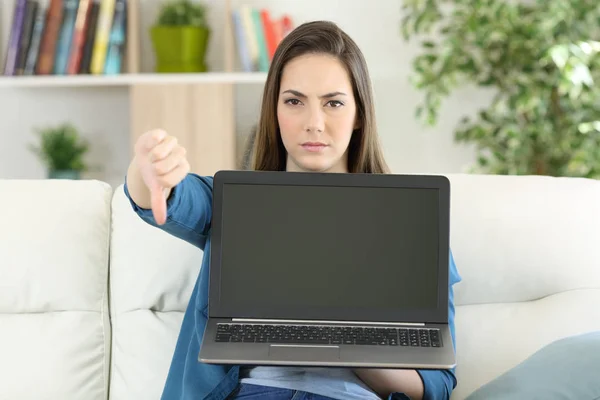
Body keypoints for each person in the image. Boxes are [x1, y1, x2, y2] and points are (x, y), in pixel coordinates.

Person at [123, 20, 461, 400]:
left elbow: (436, 385)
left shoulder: (412, 222)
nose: (313, 123)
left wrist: (344, 340)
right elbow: (167, 196)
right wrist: (148, 167)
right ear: (275, 110)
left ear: (359, 114)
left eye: (333, 103)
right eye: (294, 101)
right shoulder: (233, 203)